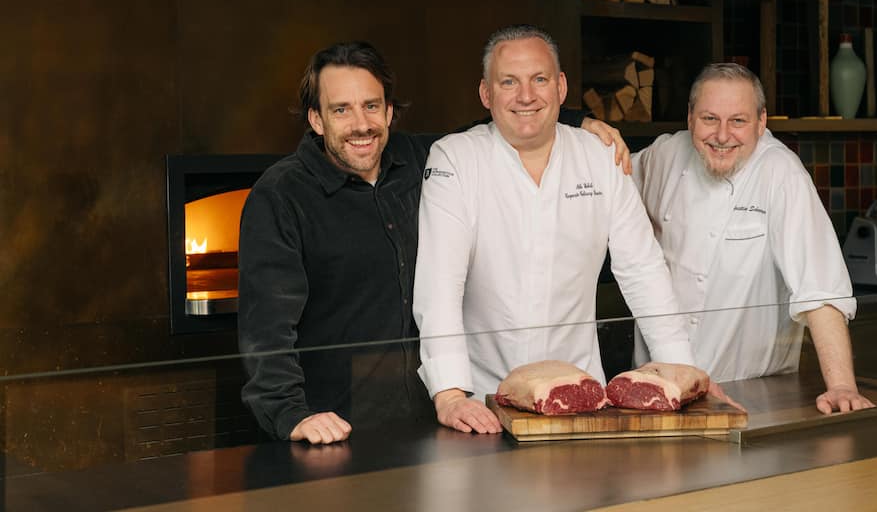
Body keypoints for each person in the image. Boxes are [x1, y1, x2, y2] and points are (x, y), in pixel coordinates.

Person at [238, 40, 627, 444]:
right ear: (316, 120)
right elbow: (265, 326)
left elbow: (504, 121)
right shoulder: (281, 196)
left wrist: (577, 121)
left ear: (389, 112)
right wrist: (291, 414)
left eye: (371, 106)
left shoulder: (422, 159)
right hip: (332, 427)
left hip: (431, 419)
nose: (361, 124)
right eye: (341, 109)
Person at [412, 25, 701, 435]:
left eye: (540, 79)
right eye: (508, 81)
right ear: (486, 94)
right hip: (482, 403)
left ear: (562, 87)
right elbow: (439, 284)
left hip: (581, 398)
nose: (526, 96)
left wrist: (680, 372)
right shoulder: (454, 158)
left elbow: (643, 270)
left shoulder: (599, 157)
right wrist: (450, 394)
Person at [631, 62, 875, 414]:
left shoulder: (781, 173)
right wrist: (585, 128)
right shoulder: (665, 156)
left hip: (748, 395)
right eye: (709, 119)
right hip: (658, 392)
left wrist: (841, 386)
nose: (722, 135)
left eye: (738, 121)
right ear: (689, 119)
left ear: (762, 122)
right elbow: (607, 181)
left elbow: (820, 289)